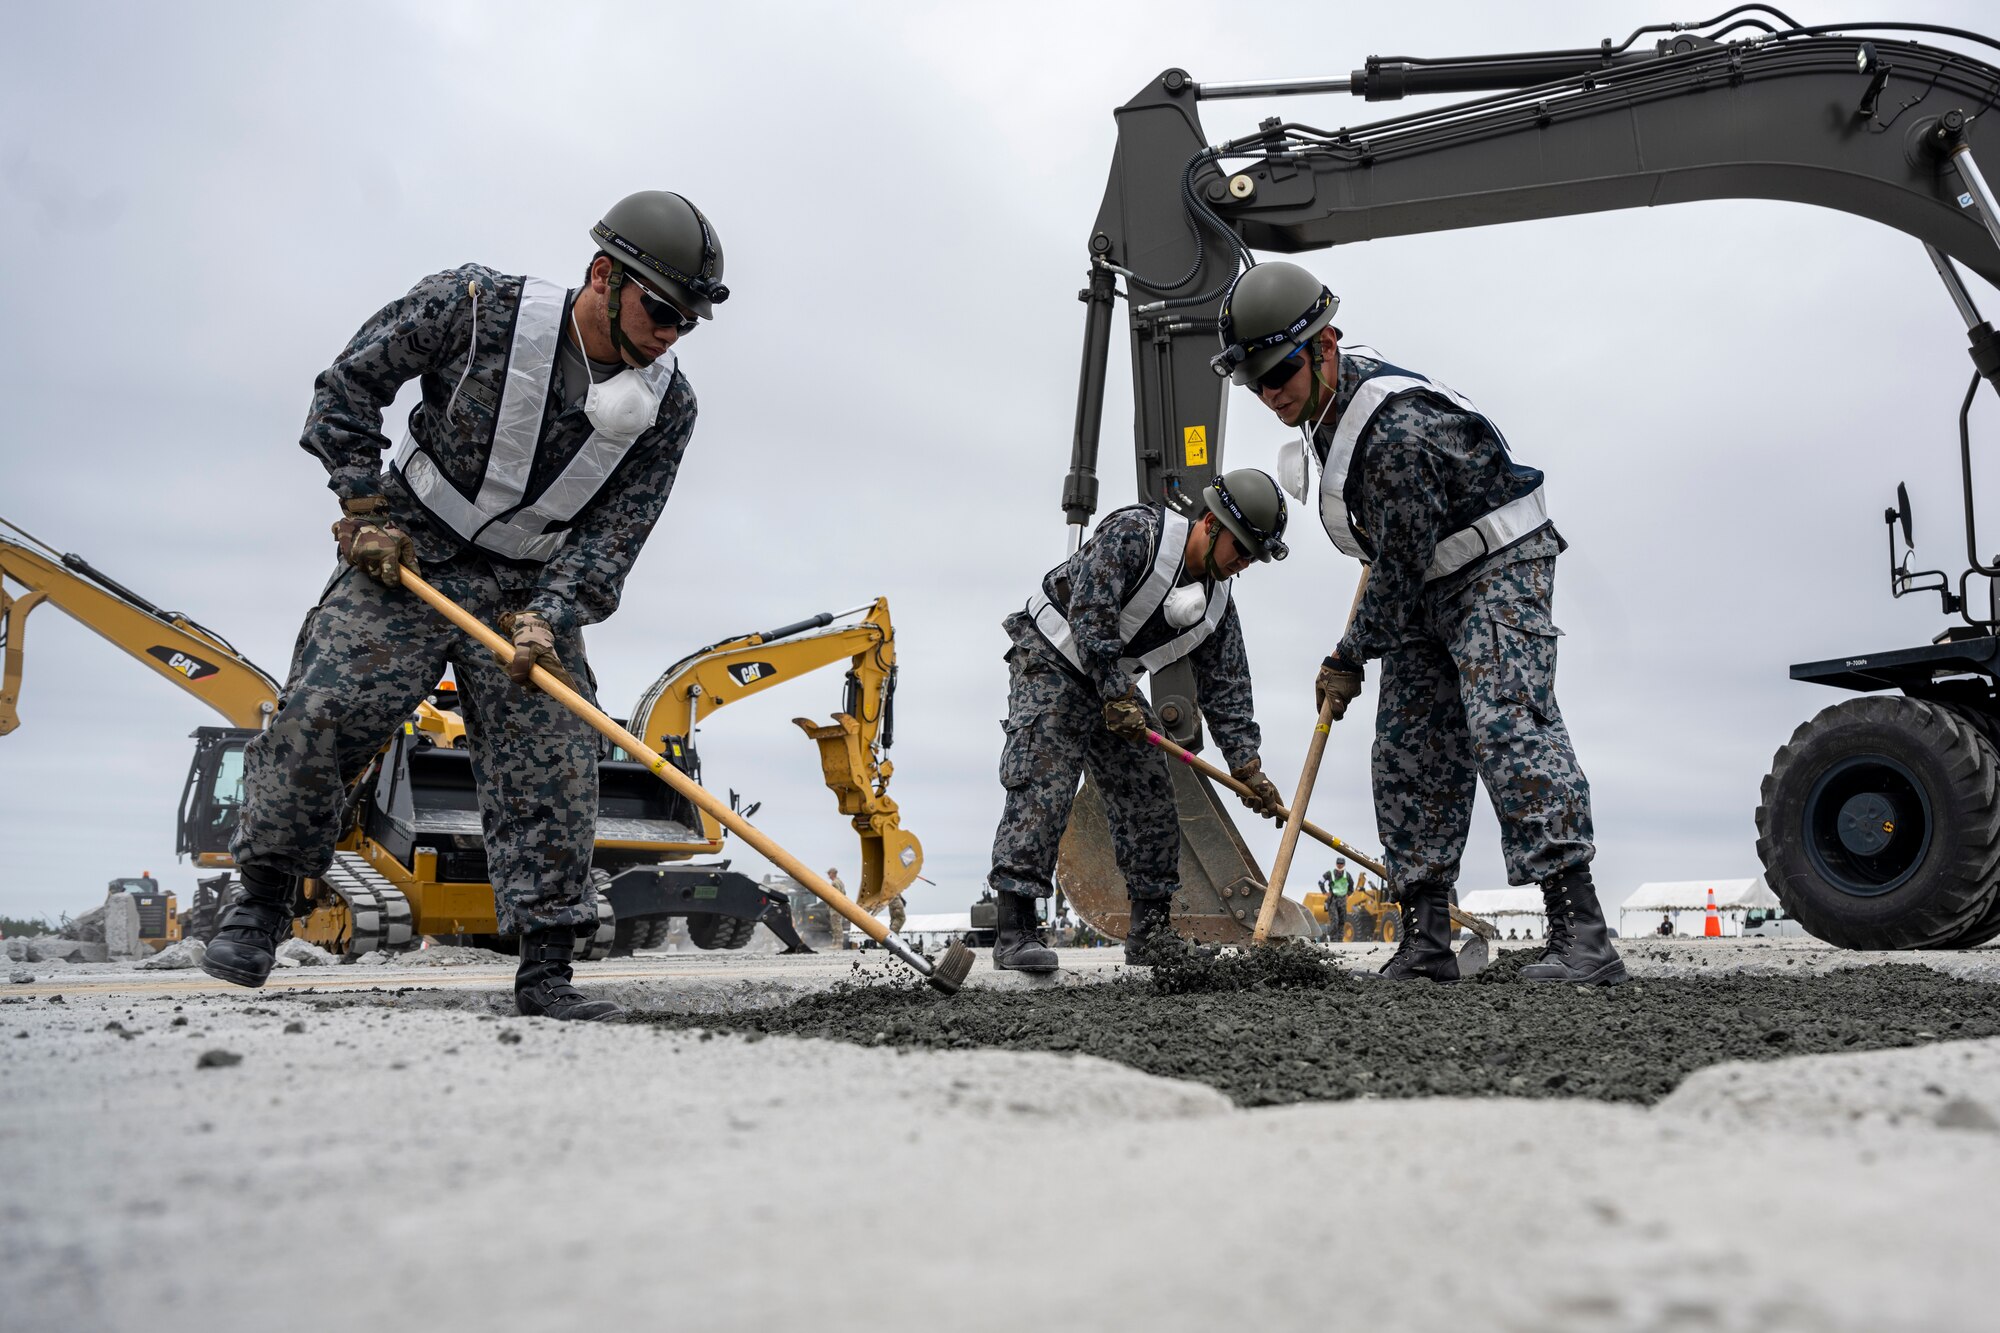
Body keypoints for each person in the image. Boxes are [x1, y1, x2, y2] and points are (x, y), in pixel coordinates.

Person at [203, 191, 727, 1020]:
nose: (670, 334)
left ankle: (546, 970)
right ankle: (262, 899)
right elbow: (347, 386)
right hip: (407, 550)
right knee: (322, 710)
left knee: (557, 756)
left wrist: (551, 614)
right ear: (603, 276)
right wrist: (363, 506)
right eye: (662, 310)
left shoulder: (670, 408)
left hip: (527, 587)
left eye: (688, 323)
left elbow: (616, 534)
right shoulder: (474, 307)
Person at [1214, 262, 1623, 986]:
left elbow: (1397, 563)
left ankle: (1582, 935)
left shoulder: (1397, 432)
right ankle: (1426, 937)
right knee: (1406, 748)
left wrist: (1348, 653)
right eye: (1256, 382)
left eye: (1280, 372)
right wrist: (1362, 647)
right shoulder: (1325, 415)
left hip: (1494, 563)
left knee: (1505, 721)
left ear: (1325, 345)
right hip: (1422, 582)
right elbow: (1394, 561)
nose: (1272, 393)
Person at [987, 469, 1292, 971]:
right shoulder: (1136, 533)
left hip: (1115, 686)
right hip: (1054, 656)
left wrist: (1248, 767)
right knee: (1044, 780)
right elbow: (1089, 610)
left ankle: (1150, 934)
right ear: (1211, 524)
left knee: (1149, 792)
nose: (1241, 564)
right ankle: (1016, 931)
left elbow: (1228, 688)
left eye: (1251, 558)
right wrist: (1113, 688)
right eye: (1240, 549)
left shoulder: (1217, 606)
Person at [1319, 858, 1354, 942]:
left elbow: (1351, 886)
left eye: (1341, 863)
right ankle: (1333, 939)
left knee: (1342, 921)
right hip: (1333, 900)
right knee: (1335, 920)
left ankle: (1340, 939)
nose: (1340, 865)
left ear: (1344, 864)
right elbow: (1320, 882)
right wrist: (1325, 892)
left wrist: (1348, 894)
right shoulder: (1330, 873)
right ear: (1336, 864)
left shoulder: (1347, 875)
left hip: (1342, 900)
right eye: (1338, 863)